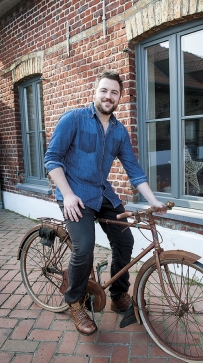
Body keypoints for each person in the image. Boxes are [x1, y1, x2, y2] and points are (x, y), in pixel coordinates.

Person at [44, 70, 165, 336]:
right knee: (84, 248)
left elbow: (134, 170)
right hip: (75, 196)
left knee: (125, 241)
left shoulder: (120, 131)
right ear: (95, 92)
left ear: (120, 97)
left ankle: (119, 295)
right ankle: (75, 302)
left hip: (103, 195)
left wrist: (153, 201)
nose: (108, 96)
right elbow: (52, 159)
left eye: (114, 92)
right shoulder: (73, 119)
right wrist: (68, 194)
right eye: (104, 90)